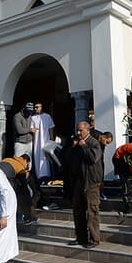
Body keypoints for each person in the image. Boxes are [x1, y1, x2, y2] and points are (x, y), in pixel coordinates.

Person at [64, 121, 102, 249]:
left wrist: (84, 146)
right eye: (78, 130)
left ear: (88, 130)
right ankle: (81, 237)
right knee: (78, 210)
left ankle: (94, 239)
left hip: (91, 182)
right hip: (78, 182)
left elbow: (92, 159)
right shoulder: (76, 143)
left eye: (81, 130)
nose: (78, 133)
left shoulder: (93, 143)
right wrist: (73, 147)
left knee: (92, 211)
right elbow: (68, 160)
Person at [0, 154, 38, 225]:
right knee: (22, 193)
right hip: (4, 179)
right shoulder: (20, 167)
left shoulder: (8, 159)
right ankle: (27, 218)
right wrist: (30, 203)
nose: (27, 167)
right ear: (26, 161)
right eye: (28, 164)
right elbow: (24, 189)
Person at [29, 102, 55, 180]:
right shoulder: (33, 118)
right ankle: (39, 177)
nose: (35, 109)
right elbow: (31, 129)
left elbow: (51, 128)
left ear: (41, 107)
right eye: (35, 107)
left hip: (46, 141)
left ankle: (47, 176)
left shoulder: (47, 116)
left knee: (46, 159)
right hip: (37, 143)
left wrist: (52, 140)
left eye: (37, 107)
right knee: (37, 158)